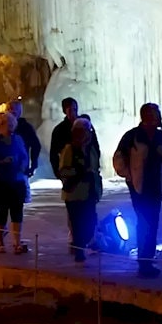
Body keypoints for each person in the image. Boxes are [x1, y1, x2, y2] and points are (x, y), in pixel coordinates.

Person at [113, 103, 162, 278]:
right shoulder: (133, 136)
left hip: (155, 186)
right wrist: (129, 176)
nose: (157, 118)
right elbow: (118, 158)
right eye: (155, 115)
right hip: (139, 187)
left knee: (151, 222)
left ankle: (147, 260)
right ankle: (144, 262)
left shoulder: (159, 136)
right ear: (147, 117)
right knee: (144, 221)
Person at [58, 117, 102, 263]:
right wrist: (80, 171)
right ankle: (79, 251)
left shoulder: (92, 150)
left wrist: (97, 188)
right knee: (77, 224)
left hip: (89, 192)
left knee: (89, 221)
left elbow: (96, 170)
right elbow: (63, 171)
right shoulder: (69, 149)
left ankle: (82, 246)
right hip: (74, 193)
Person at [0, 112, 30, 254]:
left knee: (17, 213)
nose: (9, 127)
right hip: (1, 182)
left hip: (16, 182)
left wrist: (23, 165)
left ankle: (17, 242)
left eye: (11, 124)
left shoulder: (18, 139)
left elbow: (24, 156)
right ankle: (0, 241)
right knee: (2, 213)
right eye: (6, 125)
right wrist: (2, 162)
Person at [0, 98, 41, 198]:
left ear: (20, 112)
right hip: (2, 174)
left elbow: (35, 145)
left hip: (19, 170)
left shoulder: (25, 128)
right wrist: (0, 122)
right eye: (9, 109)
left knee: (18, 204)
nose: (12, 112)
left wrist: (33, 164)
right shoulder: (0, 131)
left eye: (14, 110)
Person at [49, 97, 79, 177]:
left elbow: (94, 146)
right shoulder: (59, 130)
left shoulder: (84, 125)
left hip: (85, 170)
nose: (73, 113)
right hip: (68, 170)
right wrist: (58, 172)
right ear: (65, 111)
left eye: (75, 109)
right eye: (70, 110)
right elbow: (53, 154)